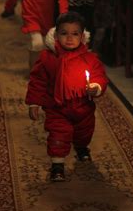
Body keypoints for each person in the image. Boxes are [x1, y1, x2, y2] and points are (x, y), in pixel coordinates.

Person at [25, 12, 109, 182]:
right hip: (57, 107)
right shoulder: (48, 58)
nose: (69, 38)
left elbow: (99, 76)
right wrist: (33, 102)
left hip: (83, 106)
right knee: (58, 135)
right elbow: (37, 81)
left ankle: (81, 147)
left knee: (84, 132)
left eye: (75, 34)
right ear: (56, 35)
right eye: (64, 34)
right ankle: (57, 164)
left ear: (83, 36)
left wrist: (96, 86)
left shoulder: (90, 58)